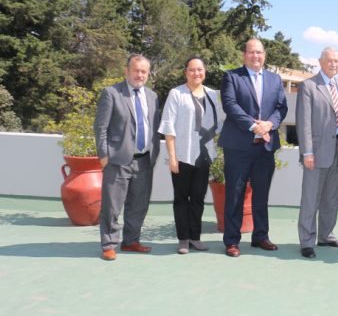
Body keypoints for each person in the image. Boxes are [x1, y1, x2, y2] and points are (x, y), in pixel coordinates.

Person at [218, 38, 288, 258]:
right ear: (244, 55)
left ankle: (260, 236)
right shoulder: (232, 77)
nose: (255, 56)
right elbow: (230, 105)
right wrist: (254, 126)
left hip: (264, 148)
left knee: (261, 195)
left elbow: (281, 108)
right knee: (235, 194)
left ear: (264, 55)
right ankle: (231, 240)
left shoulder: (275, 79)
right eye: (251, 52)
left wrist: (270, 124)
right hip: (238, 148)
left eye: (259, 52)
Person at [94, 54, 161, 261]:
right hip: (117, 160)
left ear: (148, 74)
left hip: (144, 161)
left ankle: (131, 241)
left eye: (143, 71)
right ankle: (109, 244)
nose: (139, 75)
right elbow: (100, 127)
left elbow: (155, 128)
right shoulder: (111, 93)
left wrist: (154, 154)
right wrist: (104, 155)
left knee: (138, 204)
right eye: (136, 70)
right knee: (112, 206)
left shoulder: (152, 96)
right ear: (127, 71)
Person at [158, 57, 225, 254]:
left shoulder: (213, 94)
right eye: (192, 70)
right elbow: (168, 127)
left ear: (205, 71)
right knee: (181, 199)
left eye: (200, 69)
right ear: (185, 72)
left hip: (204, 155)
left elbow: (219, 124)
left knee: (198, 198)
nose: (197, 73)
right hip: (182, 155)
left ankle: (195, 238)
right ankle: (183, 240)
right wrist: (172, 157)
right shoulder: (176, 94)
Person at [296, 47, 338, 259]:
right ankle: (307, 241)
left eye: (337, 61)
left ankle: (326, 235)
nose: (334, 64)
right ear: (320, 62)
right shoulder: (309, 86)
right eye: (329, 61)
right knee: (311, 198)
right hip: (316, 153)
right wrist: (307, 152)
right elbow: (304, 123)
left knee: (331, 197)